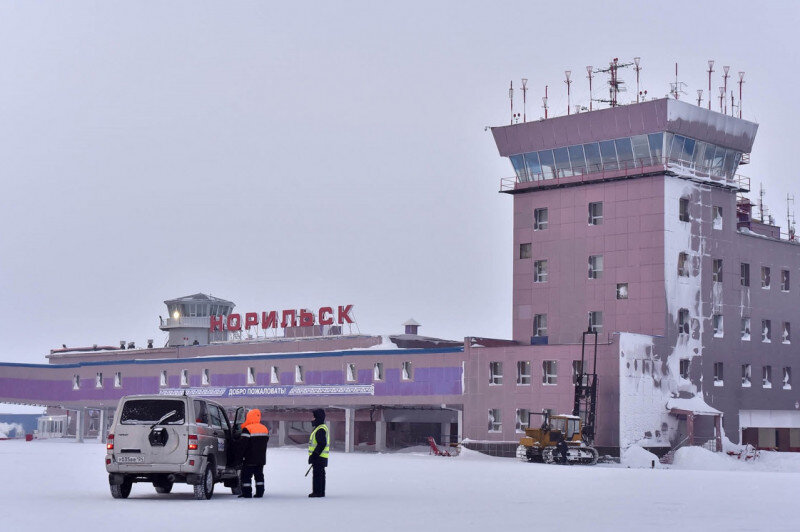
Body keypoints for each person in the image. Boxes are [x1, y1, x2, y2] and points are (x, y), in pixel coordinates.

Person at [238, 409, 269, 498]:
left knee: (246, 477)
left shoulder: (247, 429)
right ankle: (260, 493)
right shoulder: (264, 428)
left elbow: (243, 444)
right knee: (259, 476)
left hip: (249, 458)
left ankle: (247, 493)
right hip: (261, 458)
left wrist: (239, 456)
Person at [307, 408, 329, 498]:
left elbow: (322, 443)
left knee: (317, 475)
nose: (312, 419)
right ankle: (320, 492)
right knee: (320, 474)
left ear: (317, 418)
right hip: (321, 456)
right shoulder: (321, 428)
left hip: (319, 457)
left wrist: (314, 455)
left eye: (313, 417)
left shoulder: (320, 429)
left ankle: (317, 492)